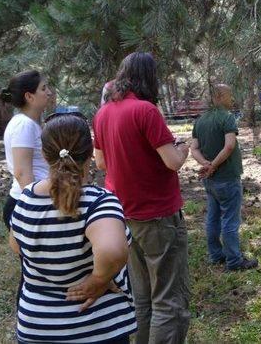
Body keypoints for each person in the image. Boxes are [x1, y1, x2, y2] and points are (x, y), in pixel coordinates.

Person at [9, 114, 136, 343]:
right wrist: (99, 279)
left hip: (37, 326)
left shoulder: (26, 198)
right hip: (96, 327)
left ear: (44, 156)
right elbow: (112, 250)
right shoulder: (99, 202)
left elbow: (16, 245)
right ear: (89, 154)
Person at [93, 52, 190, 344]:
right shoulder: (146, 111)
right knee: (168, 301)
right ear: (149, 77)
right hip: (158, 215)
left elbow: (100, 163)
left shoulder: (104, 113)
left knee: (142, 297)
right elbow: (172, 161)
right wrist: (183, 147)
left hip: (122, 214)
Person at [189, 84, 258, 271]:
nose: (232, 99)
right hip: (227, 178)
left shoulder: (200, 120)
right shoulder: (227, 118)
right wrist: (213, 166)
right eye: (229, 95)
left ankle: (215, 255)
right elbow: (229, 146)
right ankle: (234, 261)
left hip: (210, 181)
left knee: (213, 217)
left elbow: (193, 148)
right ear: (219, 97)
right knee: (230, 220)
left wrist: (205, 164)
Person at [0, 71, 52, 229]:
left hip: (33, 201)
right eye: (43, 89)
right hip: (28, 204)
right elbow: (22, 173)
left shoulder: (29, 123)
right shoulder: (24, 125)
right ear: (29, 97)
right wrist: (36, 208)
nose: (49, 92)